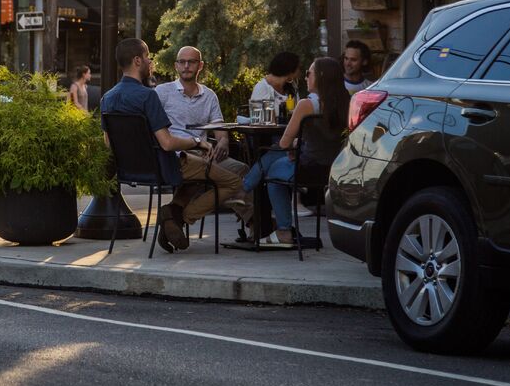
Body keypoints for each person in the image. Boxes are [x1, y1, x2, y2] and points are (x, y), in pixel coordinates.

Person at [101, 38, 243, 252]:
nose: (151, 63)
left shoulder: (107, 98)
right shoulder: (148, 96)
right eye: (149, 57)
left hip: (130, 171)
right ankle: (175, 216)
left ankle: (174, 215)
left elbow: (108, 144)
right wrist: (198, 142)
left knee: (200, 172)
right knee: (233, 182)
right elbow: (167, 144)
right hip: (165, 165)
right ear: (138, 61)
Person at [241, 57, 350, 247]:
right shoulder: (347, 102)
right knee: (277, 162)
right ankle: (246, 186)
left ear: (320, 76)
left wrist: (293, 148)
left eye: (309, 73)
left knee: (273, 171)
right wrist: (299, 145)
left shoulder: (306, 104)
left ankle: (282, 229)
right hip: (334, 168)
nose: (305, 77)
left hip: (307, 168)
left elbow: (284, 143)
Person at [154, 46, 251, 252]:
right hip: (179, 153)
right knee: (219, 179)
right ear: (176, 65)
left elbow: (219, 129)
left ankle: (174, 216)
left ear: (201, 66)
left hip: (206, 152)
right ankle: (179, 216)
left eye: (192, 62)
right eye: (182, 61)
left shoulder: (209, 96)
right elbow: (153, 128)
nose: (186, 65)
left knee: (242, 169)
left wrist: (223, 142)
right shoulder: (162, 93)